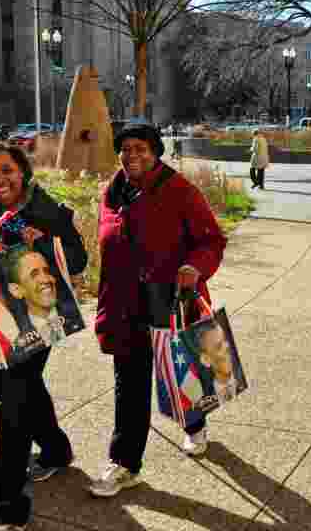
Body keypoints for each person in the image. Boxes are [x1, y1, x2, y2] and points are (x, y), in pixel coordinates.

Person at [0, 143, 87, 529]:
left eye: (7, 170)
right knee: (25, 388)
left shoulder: (48, 210)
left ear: (22, 170)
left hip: (41, 319)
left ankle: (9, 503)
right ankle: (56, 450)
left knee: (15, 399)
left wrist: (40, 243)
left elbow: (77, 258)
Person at [90, 122, 227, 498]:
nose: (132, 155)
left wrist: (196, 266)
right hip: (125, 305)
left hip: (169, 301)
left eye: (141, 148)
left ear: (156, 152)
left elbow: (212, 240)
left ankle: (195, 424)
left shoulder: (179, 190)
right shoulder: (113, 192)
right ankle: (125, 463)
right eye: (126, 148)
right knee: (129, 386)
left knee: (182, 375)